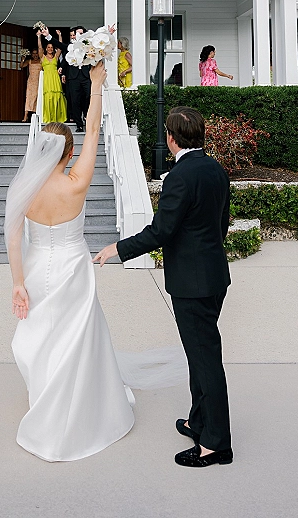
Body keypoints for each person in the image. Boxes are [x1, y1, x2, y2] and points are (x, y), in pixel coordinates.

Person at [5, 62, 134, 461]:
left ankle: (44, 398)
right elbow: (94, 129)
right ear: (69, 152)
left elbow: (12, 236)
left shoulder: (23, 188)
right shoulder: (77, 182)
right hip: (73, 268)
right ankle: (76, 406)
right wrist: (95, 85)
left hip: (37, 266)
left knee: (42, 336)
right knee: (76, 338)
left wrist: (18, 283)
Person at [94, 106, 233, 469]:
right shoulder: (216, 169)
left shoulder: (179, 177)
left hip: (192, 282)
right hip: (214, 276)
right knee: (199, 354)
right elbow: (222, 224)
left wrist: (117, 249)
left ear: (171, 139)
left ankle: (216, 444)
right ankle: (198, 421)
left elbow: (162, 231)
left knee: (205, 360)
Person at [45, 25, 91, 132]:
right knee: (74, 100)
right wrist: (48, 36)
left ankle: (87, 117)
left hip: (86, 76)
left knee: (88, 97)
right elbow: (60, 46)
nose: (76, 36)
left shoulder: (89, 45)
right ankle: (79, 124)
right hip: (73, 77)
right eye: (76, 34)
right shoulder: (70, 46)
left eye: (79, 33)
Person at [36, 29, 67, 123]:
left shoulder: (56, 57)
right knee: (48, 97)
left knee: (57, 96)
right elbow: (39, 48)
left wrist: (60, 35)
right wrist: (39, 37)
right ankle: (49, 118)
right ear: (46, 49)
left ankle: (59, 118)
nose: (50, 49)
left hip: (55, 78)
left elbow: (60, 47)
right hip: (47, 79)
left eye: (51, 47)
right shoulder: (43, 57)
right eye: (48, 47)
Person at [21, 48, 42, 121]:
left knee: (37, 98)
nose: (35, 55)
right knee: (29, 97)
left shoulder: (41, 61)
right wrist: (23, 59)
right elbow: (21, 66)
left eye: (36, 53)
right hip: (31, 82)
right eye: (33, 53)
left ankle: (36, 115)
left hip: (39, 81)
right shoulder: (29, 61)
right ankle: (25, 115)